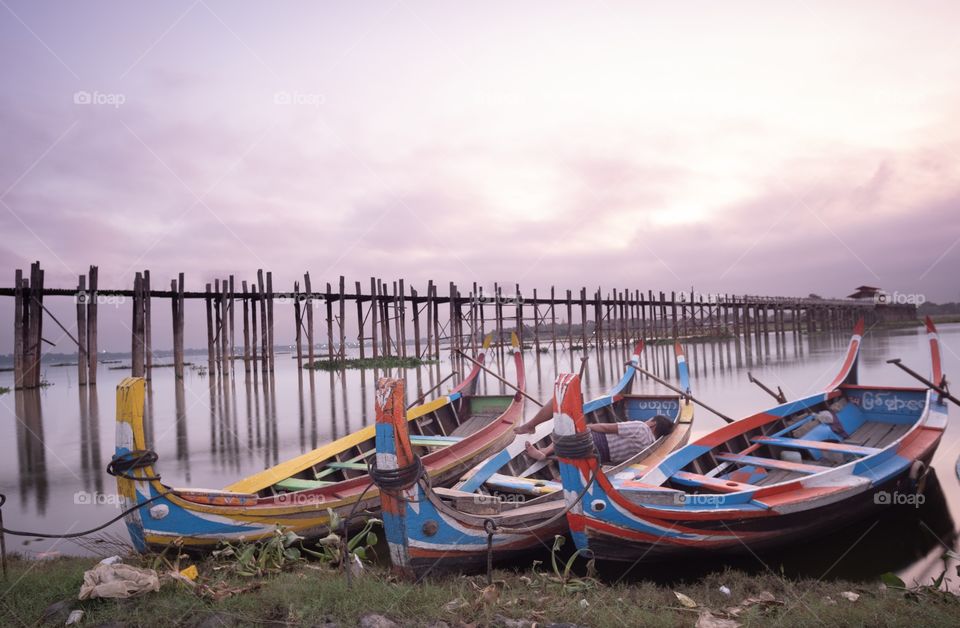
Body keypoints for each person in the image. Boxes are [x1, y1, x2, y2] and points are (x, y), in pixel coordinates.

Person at [515, 403, 675, 466]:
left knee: (567, 421)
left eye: (648, 420)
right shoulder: (650, 446)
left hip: (596, 442)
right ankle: (552, 452)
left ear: (653, 424)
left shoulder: (642, 428)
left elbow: (606, 428)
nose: (646, 421)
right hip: (599, 457)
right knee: (573, 440)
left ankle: (544, 450)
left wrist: (587, 426)